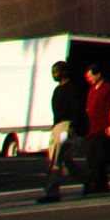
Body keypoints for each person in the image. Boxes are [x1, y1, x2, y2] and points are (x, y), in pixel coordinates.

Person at [35, 62, 83, 204]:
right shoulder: (57, 90)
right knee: (64, 160)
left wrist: (73, 126)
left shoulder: (72, 87)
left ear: (63, 72)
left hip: (66, 126)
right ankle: (88, 179)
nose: (54, 75)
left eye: (56, 72)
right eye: (53, 72)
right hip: (57, 126)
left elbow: (78, 108)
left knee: (55, 159)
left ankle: (52, 193)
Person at [82, 64, 110, 195]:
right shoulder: (92, 90)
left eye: (90, 76)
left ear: (98, 74)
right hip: (92, 128)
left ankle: (97, 185)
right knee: (94, 159)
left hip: (102, 128)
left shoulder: (107, 88)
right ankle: (103, 185)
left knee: (95, 159)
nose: (89, 79)